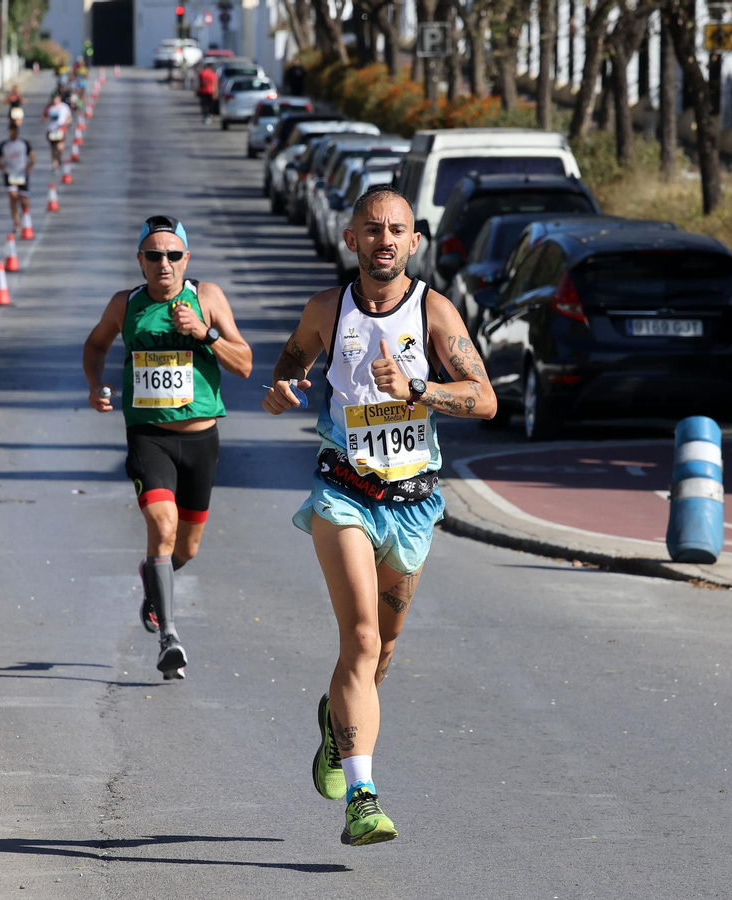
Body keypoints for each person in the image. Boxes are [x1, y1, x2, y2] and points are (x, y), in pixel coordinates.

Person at [260, 184, 497, 846]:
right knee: (362, 639)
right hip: (344, 491)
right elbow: (291, 361)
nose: (384, 239)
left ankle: (336, 726)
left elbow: (484, 400)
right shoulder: (326, 309)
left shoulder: (434, 311)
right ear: (352, 239)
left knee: (381, 652)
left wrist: (419, 388)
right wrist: (283, 387)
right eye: (372, 228)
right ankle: (362, 800)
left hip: (413, 503)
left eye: (396, 230)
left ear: (414, 242)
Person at [83, 216, 254, 679]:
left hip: (201, 439)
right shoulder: (125, 304)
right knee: (162, 527)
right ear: (140, 260)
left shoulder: (207, 298)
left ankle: (154, 578)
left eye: (173, 255)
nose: (164, 263)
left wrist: (204, 332)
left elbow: (244, 364)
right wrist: (95, 385)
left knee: (187, 548)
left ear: (186, 259)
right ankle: (169, 638)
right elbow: (95, 345)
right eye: (155, 255)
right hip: (149, 436)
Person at [0, 123, 35, 234]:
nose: (12, 134)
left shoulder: (24, 143)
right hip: (10, 174)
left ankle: (24, 218)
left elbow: (32, 157)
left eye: (14, 131)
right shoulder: (4, 145)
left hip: (22, 174)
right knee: (13, 196)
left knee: (24, 200)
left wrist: (30, 165)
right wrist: (1, 167)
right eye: (10, 131)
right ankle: (16, 221)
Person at [44, 92, 73, 173]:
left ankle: (59, 158)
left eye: (56, 98)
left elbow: (69, 117)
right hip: (51, 130)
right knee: (53, 148)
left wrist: (66, 123)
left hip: (61, 130)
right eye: (53, 98)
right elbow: (44, 117)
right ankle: (55, 164)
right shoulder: (49, 107)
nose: (54, 100)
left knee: (60, 147)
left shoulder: (64, 107)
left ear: (59, 99)